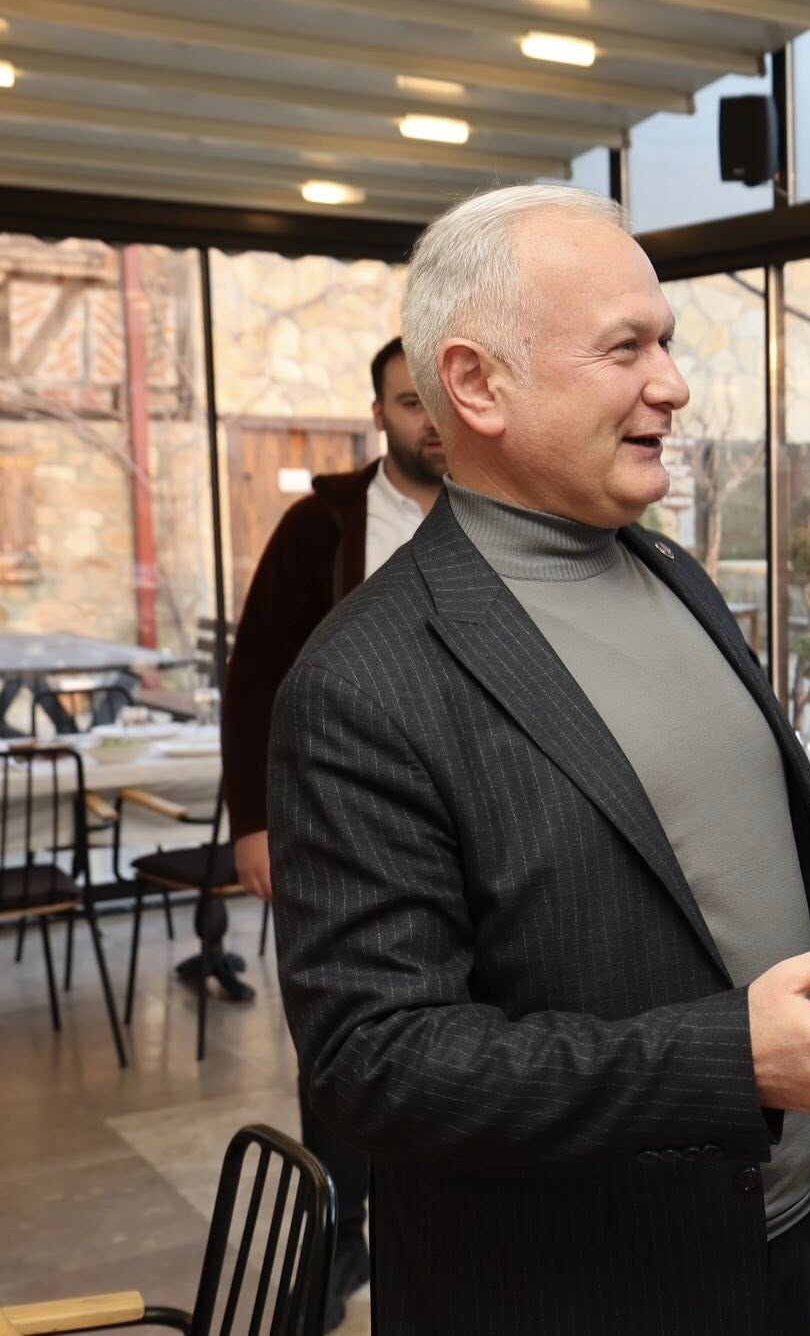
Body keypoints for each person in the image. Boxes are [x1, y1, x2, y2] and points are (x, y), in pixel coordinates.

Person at [268, 185, 810, 1336]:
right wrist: (726, 1058)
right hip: (567, 1290)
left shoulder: (672, 575)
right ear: (479, 383)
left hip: (771, 1241)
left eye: (669, 344)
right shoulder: (365, 681)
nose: (672, 385)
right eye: (625, 347)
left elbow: (756, 848)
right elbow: (376, 1059)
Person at [219, 333, 443, 1329]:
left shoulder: (506, 516)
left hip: (458, 833)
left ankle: (435, 1235)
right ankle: (337, 1229)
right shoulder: (322, 524)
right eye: (406, 404)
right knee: (343, 1039)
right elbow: (255, 673)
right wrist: (255, 823)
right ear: (380, 413)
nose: (426, 422)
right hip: (329, 829)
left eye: (436, 399)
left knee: (453, 1034)